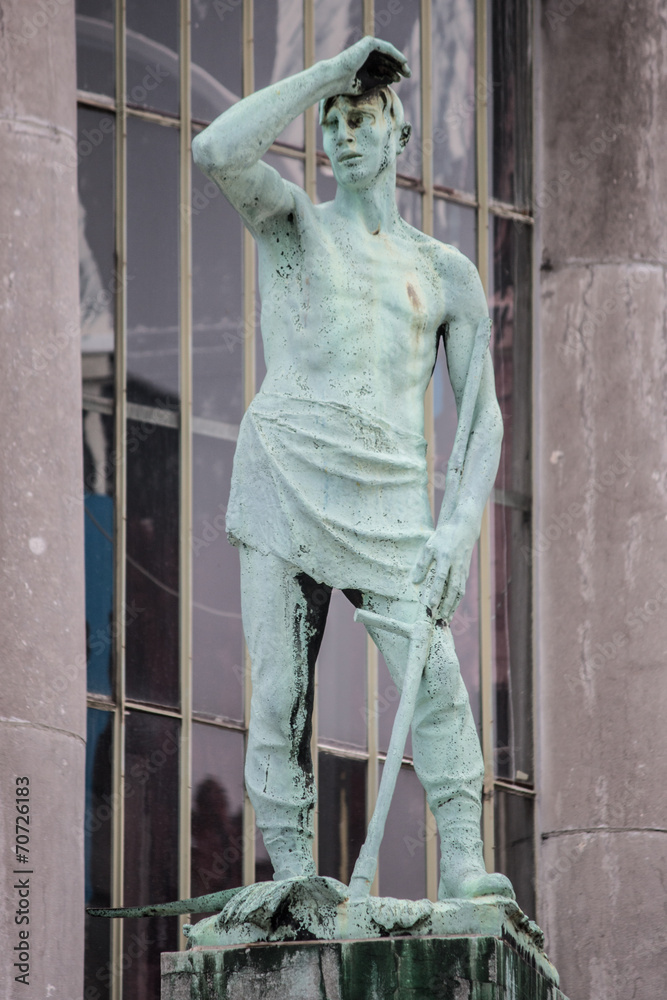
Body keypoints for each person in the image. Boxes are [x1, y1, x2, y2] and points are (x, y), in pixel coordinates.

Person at [192, 37, 513, 900]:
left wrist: (459, 530)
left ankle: (465, 869)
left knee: (436, 679)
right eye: (329, 120)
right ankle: (293, 878)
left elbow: (482, 420)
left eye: (358, 117)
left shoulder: (444, 273)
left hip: (389, 495)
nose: (337, 133)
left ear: (397, 136)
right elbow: (216, 150)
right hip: (283, 471)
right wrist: (330, 73)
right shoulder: (294, 224)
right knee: (278, 696)